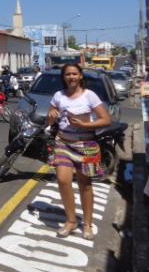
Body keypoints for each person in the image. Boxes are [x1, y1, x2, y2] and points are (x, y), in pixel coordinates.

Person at [47, 63, 111, 240]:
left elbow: (106, 119)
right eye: (68, 74)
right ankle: (71, 221)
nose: (71, 77)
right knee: (63, 180)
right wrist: (51, 116)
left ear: (81, 76)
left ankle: (88, 223)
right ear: (64, 77)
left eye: (75, 74)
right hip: (63, 143)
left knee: (85, 184)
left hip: (86, 145)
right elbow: (50, 118)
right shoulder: (58, 96)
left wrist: (85, 125)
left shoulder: (89, 96)